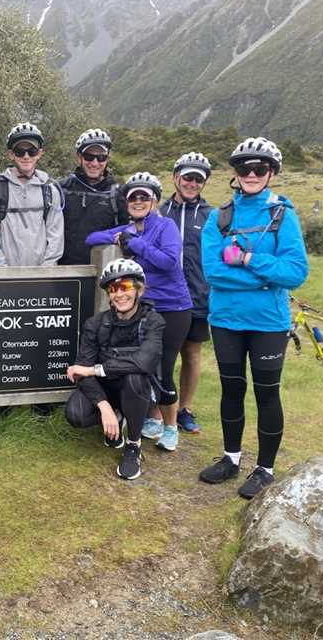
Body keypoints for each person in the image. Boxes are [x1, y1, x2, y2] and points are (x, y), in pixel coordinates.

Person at [198, 137, 308, 499]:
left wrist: (246, 260)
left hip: (268, 324)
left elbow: (295, 272)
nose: (251, 174)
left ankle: (265, 469)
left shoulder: (283, 215)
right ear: (235, 172)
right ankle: (231, 458)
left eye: (260, 168)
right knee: (232, 389)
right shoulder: (220, 217)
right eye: (244, 168)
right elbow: (213, 272)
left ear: (271, 172)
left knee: (266, 394)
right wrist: (264, 279)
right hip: (227, 319)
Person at [86, 173, 192, 452]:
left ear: (155, 201)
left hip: (172, 307)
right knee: (147, 367)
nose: (138, 201)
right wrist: (120, 236)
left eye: (144, 197)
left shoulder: (166, 226)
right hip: (143, 307)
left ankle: (171, 427)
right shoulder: (129, 228)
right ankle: (154, 419)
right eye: (133, 197)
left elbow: (169, 262)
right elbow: (92, 238)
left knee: (165, 368)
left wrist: (137, 244)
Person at [65, 258, 165, 480]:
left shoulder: (153, 321)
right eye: (113, 288)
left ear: (139, 289)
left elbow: (143, 363)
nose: (120, 294)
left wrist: (95, 369)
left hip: (136, 391)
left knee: (134, 378)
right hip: (106, 390)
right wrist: (104, 407)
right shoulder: (95, 324)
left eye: (126, 287)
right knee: (75, 414)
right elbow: (82, 370)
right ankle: (116, 417)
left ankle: (133, 444)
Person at [159, 152, 214, 434]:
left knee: (191, 354)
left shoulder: (211, 216)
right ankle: (158, 407)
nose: (191, 183)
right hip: (162, 298)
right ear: (175, 177)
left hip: (196, 297)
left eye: (197, 179)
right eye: (187, 177)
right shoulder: (159, 211)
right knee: (159, 354)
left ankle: (185, 409)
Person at [0, 122, 64, 267]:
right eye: (20, 151)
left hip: (42, 278)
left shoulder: (50, 191)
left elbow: (55, 235)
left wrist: (47, 270)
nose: (26, 156)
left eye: (32, 151)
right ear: (11, 154)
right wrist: (1, 270)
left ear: (39, 153)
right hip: (5, 278)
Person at [58, 128, 127, 265]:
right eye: (88, 157)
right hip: (64, 273)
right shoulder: (61, 189)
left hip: (103, 273)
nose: (94, 163)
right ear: (79, 157)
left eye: (101, 157)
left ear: (108, 158)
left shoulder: (118, 194)